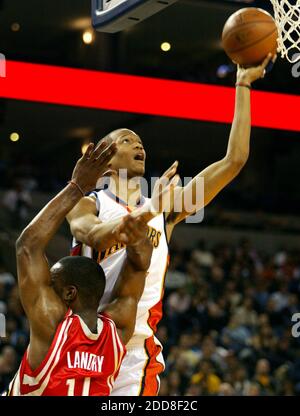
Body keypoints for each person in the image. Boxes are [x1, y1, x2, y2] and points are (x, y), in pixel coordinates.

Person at [67, 55, 275, 396]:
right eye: (126, 140)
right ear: (103, 160)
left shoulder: (166, 208)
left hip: (132, 351)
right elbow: (89, 233)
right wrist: (148, 213)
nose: (138, 144)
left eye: (140, 141)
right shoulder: (89, 201)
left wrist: (243, 85)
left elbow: (234, 160)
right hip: (81, 339)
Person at [6, 142, 177, 396]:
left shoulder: (51, 323)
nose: (47, 288)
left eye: (53, 284)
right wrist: (148, 213)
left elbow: (26, 247)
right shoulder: (118, 331)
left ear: (69, 293)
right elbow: (139, 268)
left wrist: (77, 187)